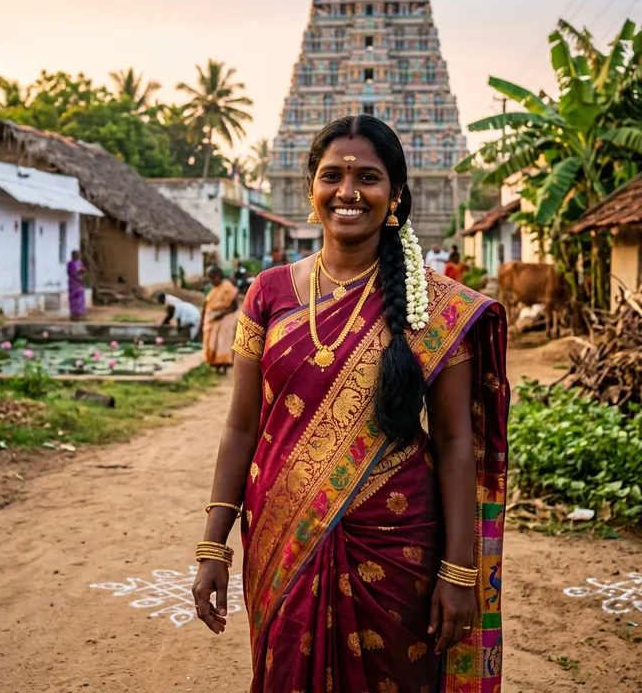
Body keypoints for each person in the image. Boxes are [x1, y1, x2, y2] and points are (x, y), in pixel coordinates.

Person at [191, 115, 508, 692]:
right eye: (332, 175)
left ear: (395, 195)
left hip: (397, 543)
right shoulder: (268, 293)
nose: (349, 191)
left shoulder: (431, 306)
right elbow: (241, 429)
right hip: (283, 536)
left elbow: (457, 441)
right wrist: (214, 542)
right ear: (311, 187)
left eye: (369, 177)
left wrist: (460, 569)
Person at [201, 266, 239, 375]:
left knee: (223, 343)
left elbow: (234, 306)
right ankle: (216, 366)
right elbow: (206, 304)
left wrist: (221, 314)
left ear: (219, 276)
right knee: (212, 342)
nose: (212, 281)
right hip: (212, 318)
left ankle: (224, 367)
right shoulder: (210, 289)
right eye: (210, 278)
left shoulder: (228, 288)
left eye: (213, 278)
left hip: (225, 318)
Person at [67, 250, 87, 322]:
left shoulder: (79, 262)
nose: (77, 256)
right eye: (76, 255)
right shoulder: (70, 263)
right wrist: (78, 272)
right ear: (73, 255)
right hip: (73, 284)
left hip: (79, 284)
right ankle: (74, 316)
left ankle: (80, 315)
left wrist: (83, 271)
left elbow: (83, 270)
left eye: (78, 255)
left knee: (80, 300)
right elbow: (70, 273)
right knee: (74, 300)